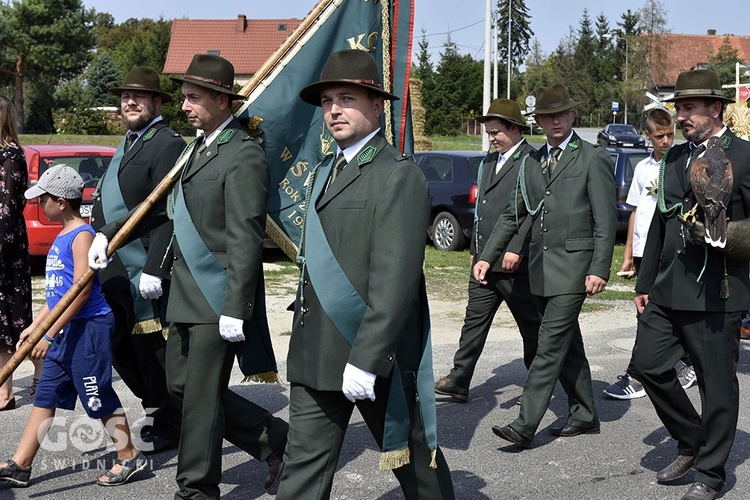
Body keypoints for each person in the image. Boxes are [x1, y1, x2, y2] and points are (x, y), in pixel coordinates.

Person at [88, 54, 288, 499]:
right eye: (184, 98)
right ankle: (277, 439)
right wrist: (108, 235)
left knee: (198, 396)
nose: (185, 106)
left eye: (194, 98)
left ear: (222, 100)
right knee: (179, 386)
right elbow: (167, 213)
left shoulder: (243, 155)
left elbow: (244, 238)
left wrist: (238, 306)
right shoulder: (198, 147)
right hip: (184, 292)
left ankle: (196, 488)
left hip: (217, 291)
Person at [276, 49, 454, 499]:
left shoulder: (398, 176)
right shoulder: (323, 173)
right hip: (318, 348)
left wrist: (367, 357)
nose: (334, 109)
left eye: (347, 98)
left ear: (378, 106)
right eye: (327, 101)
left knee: (415, 462)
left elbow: (395, 281)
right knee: (301, 471)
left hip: (374, 353)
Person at [474, 83, 617, 448]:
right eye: (546, 117)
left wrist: (600, 267)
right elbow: (513, 214)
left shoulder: (593, 158)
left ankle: (524, 426)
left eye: (560, 114)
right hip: (540, 269)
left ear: (572, 116)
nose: (554, 121)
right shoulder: (532, 161)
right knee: (568, 345)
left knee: (548, 344)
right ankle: (584, 414)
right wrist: (487, 256)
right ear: (537, 122)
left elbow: (605, 219)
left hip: (574, 268)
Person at [631, 69, 750, 500]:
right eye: (678, 108)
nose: (680, 116)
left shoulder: (745, 156)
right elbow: (661, 226)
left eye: (689, 108)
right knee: (647, 366)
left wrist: (729, 236)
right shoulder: (675, 160)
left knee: (715, 385)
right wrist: (644, 283)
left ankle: (711, 475)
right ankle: (691, 438)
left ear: (715, 109)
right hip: (668, 287)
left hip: (718, 290)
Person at [0, 165, 146, 488]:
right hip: (63, 329)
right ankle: (21, 464)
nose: (40, 204)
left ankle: (130, 455)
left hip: (87, 330)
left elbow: (79, 294)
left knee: (96, 395)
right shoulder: (62, 235)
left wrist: (48, 335)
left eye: (45, 199)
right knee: (46, 395)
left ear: (62, 202)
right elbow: (57, 292)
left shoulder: (82, 237)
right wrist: (36, 326)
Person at [90, 66, 185, 453]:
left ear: (158, 102)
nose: (130, 101)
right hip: (114, 267)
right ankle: (158, 407)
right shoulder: (129, 142)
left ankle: (170, 419)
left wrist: (155, 267)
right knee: (120, 349)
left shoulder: (167, 144)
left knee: (154, 353)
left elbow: (167, 210)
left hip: (143, 265)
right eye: (126, 96)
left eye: (140, 96)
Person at [434, 98, 540, 404]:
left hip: (514, 263)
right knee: (473, 322)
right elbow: (482, 210)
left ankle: (535, 386)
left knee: (530, 326)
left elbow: (533, 211)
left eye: (496, 132)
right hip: (484, 261)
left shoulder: (530, 161)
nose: (491, 138)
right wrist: (476, 249)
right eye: (489, 132)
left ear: (514, 128)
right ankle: (459, 379)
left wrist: (516, 248)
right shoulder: (488, 163)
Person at [603, 109, 697, 399]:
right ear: (648, 136)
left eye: (670, 134)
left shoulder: (679, 165)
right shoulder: (643, 167)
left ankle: (640, 374)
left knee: (655, 313)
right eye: (660, 136)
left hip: (668, 250)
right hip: (645, 249)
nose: (667, 140)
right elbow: (636, 212)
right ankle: (676, 364)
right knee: (648, 311)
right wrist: (628, 255)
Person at [0, 95, 33, 411]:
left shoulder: (11, 156)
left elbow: (8, 210)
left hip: (6, 248)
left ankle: (6, 393)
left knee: (13, 320)